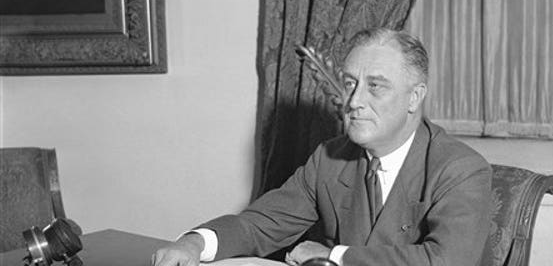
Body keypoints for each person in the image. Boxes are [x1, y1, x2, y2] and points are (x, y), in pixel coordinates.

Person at [152, 28, 492, 266]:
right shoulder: (330, 157)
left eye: (376, 86)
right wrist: (196, 241)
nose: (354, 101)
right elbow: (262, 223)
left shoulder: (461, 168)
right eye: (349, 84)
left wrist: (333, 257)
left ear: (414, 98)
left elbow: (446, 261)